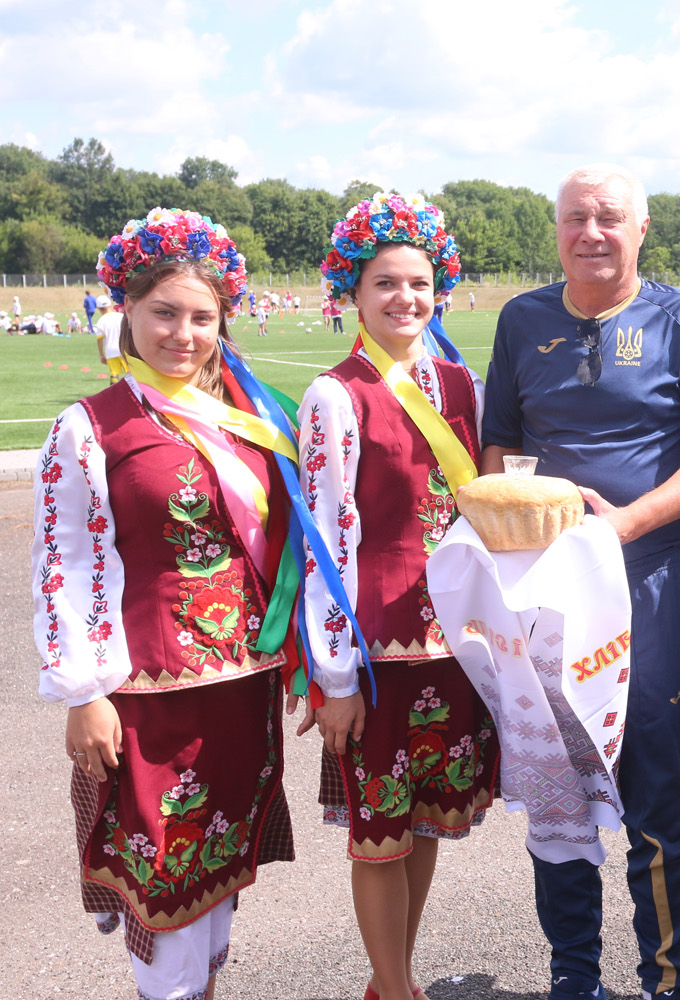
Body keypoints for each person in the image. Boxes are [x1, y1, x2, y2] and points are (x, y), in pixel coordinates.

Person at [481, 163, 680, 1000]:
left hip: (648, 583)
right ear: (556, 228)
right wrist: (518, 530)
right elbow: (499, 445)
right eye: (575, 217)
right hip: (547, 593)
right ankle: (574, 975)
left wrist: (620, 527)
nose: (591, 232)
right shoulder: (521, 319)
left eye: (609, 217)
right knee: (557, 788)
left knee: (655, 788)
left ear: (642, 228)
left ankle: (667, 978)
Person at [37, 208, 301, 1000]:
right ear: (125, 309)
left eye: (202, 318)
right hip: (148, 695)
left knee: (214, 879)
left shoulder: (250, 421)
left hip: (242, 686)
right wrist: (82, 692)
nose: (183, 334)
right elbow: (64, 564)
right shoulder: (90, 426)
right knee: (165, 878)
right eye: (164, 313)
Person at [302, 191, 499, 1000]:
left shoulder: (461, 383)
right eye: (384, 283)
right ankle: (392, 986)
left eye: (419, 283)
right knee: (379, 832)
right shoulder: (335, 394)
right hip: (376, 649)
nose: (404, 298)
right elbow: (322, 545)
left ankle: (396, 980)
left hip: (453, 644)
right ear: (352, 292)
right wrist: (334, 676)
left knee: (426, 824)